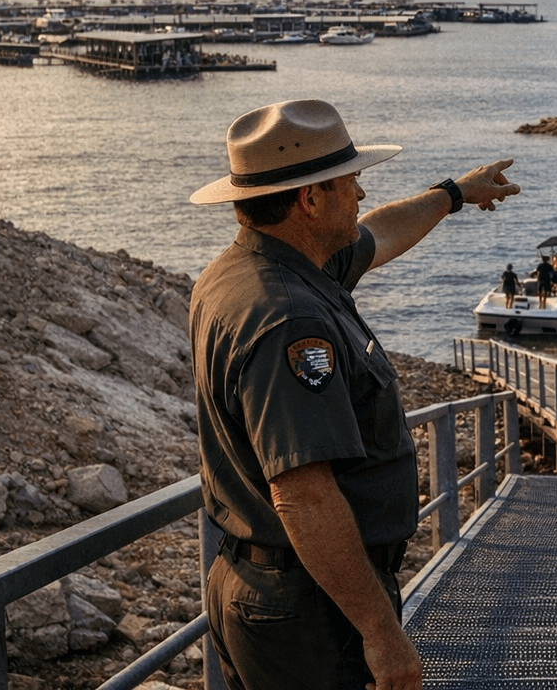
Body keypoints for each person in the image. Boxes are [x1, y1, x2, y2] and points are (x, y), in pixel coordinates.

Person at [188, 99, 520, 690]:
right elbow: (304, 496)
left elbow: (381, 233)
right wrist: (382, 633)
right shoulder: (288, 317)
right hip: (310, 611)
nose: (361, 197)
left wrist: (454, 193)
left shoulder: (250, 271)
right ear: (310, 200)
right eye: (351, 184)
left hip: (268, 588)